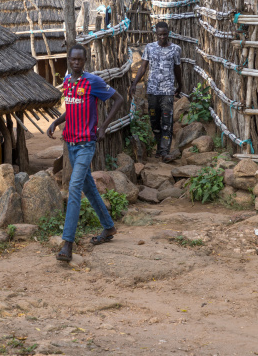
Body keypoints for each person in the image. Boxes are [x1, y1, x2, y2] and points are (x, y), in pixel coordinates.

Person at [47, 43, 124, 263]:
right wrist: (55, 122)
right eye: (73, 59)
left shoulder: (93, 82)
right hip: (71, 144)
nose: (76, 63)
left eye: (80, 60)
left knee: (74, 187)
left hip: (86, 145)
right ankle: (108, 228)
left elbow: (118, 100)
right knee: (89, 188)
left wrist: (103, 127)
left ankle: (67, 244)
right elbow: (70, 110)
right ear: (68, 60)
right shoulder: (67, 82)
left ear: (85, 61)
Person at [129, 22, 182, 160]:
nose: (162, 37)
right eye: (160, 34)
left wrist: (180, 85)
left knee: (167, 121)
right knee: (154, 121)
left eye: (165, 34)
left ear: (168, 33)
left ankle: (165, 151)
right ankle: (159, 147)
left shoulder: (176, 49)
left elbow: (177, 69)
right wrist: (134, 83)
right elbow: (143, 67)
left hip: (167, 92)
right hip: (152, 90)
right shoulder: (150, 48)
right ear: (156, 34)